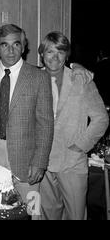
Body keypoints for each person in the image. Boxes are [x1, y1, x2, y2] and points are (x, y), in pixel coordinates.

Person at [0, 24, 54, 217]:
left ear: (24, 46)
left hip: (26, 159)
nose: (11, 50)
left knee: (33, 212)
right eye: (5, 45)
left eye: (16, 44)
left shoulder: (39, 77)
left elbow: (46, 123)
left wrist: (40, 161)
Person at [38, 32, 109, 220]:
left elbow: (101, 118)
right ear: (42, 54)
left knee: (76, 216)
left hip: (72, 161)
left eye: (60, 52)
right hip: (41, 162)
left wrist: (79, 146)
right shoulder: (33, 79)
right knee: (46, 214)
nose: (54, 57)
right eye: (49, 52)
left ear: (67, 55)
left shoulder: (81, 80)